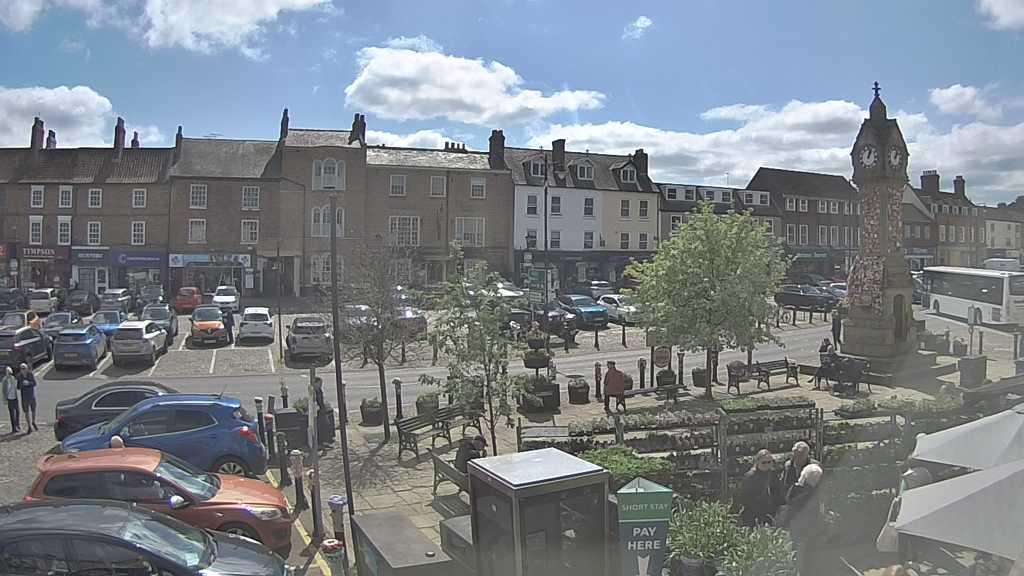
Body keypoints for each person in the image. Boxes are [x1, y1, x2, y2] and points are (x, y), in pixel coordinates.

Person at [786, 463, 824, 576]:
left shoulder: (795, 488)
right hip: (807, 530)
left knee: (798, 555)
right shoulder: (809, 492)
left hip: (796, 527)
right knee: (807, 559)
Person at [732, 448, 784, 527]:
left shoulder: (773, 474)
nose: (767, 465)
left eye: (769, 462)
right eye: (763, 462)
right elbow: (742, 496)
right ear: (757, 462)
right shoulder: (750, 476)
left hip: (769, 513)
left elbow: (778, 492)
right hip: (752, 514)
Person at [16, 363, 37, 433]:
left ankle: (33, 422)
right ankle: (29, 426)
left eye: (24, 368)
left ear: (27, 369)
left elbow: (34, 383)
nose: (23, 370)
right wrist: (22, 384)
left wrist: (28, 383)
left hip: (31, 396)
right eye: (22, 368)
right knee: (26, 412)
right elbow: (18, 387)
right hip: (24, 397)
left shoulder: (30, 374)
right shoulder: (19, 376)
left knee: (33, 410)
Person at [2, 366, 19, 433]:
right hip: (9, 399)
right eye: (8, 372)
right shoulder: (5, 380)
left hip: (15, 398)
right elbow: (4, 390)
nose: (9, 374)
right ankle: (14, 427)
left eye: (10, 372)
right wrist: (5, 399)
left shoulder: (13, 378)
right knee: (12, 414)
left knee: (17, 412)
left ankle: (17, 425)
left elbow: (15, 387)